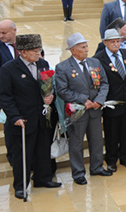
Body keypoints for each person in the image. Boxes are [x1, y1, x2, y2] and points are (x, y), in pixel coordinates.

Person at [0, 34, 61, 199]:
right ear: (23, 52)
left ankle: (43, 178)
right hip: (22, 119)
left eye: (39, 50)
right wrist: (14, 116)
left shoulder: (43, 64)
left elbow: (48, 86)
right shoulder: (8, 69)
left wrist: (50, 96)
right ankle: (21, 186)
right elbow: (5, 96)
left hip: (42, 117)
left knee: (43, 150)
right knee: (22, 155)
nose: (38, 53)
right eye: (35, 50)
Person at [55, 33, 111, 184]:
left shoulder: (95, 62)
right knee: (76, 143)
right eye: (83, 47)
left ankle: (97, 167)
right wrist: (83, 100)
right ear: (73, 50)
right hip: (77, 112)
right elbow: (62, 90)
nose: (87, 49)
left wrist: (99, 100)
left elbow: (104, 83)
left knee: (97, 140)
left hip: (95, 110)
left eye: (86, 46)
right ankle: (78, 173)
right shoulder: (63, 67)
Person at [94, 29, 126, 171]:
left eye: (118, 41)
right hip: (111, 102)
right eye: (112, 41)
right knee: (111, 133)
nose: (116, 44)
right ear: (105, 42)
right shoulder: (98, 58)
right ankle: (111, 160)